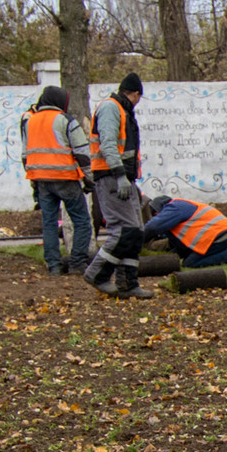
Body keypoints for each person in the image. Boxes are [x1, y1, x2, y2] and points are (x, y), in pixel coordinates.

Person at [82, 72, 153, 299]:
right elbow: (108, 144)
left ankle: (128, 283)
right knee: (123, 230)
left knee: (136, 232)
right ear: (135, 94)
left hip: (124, 179)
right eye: (138, 97)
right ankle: (97, 274)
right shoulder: (111, 108)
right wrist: (120, 175)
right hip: (112, 178)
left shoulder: (121, 110)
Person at [18, 85, 92, 275]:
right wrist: (90, 179)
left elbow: (25, 155)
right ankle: (77, 263)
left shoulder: (30, 121)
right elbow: (82, 153)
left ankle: (54, 266)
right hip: (65, 178)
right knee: (82, 221)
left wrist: (33, 180)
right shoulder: (66, 121)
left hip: (42, 180)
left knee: (49, 223)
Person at [144, 195, 227, 267]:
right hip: (222, 232)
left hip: (218, 235)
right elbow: (179, 242)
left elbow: (152, 227)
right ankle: (223, 251)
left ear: (158, 210)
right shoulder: (180, 205)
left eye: (155, 214)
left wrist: (137, 238)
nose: (156, 216)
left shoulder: (173, 208)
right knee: (189, 257)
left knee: (190, 263)